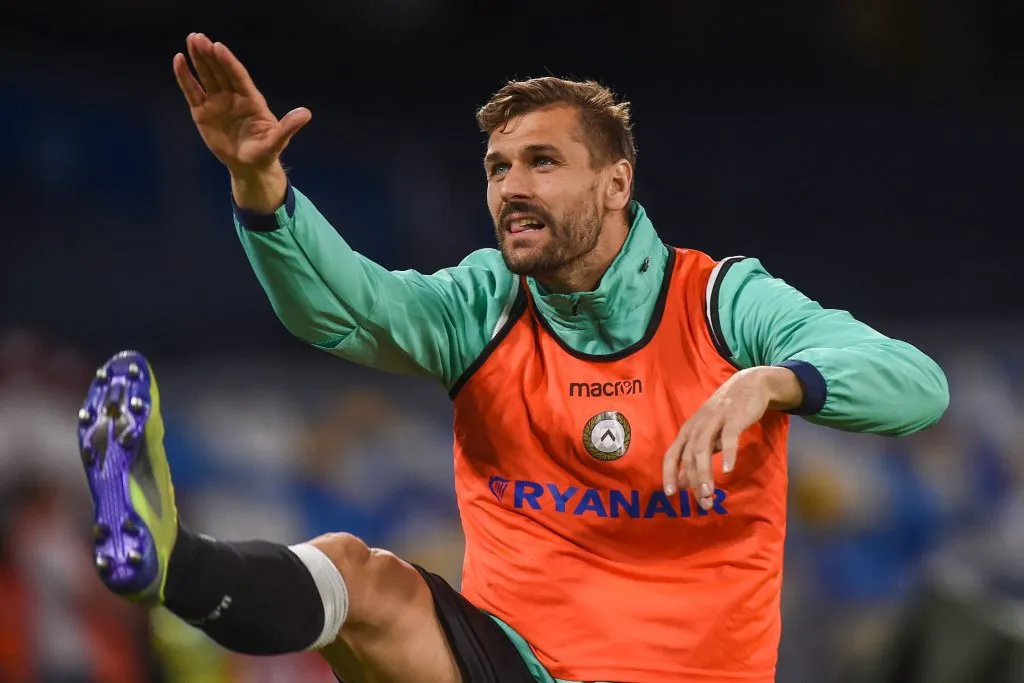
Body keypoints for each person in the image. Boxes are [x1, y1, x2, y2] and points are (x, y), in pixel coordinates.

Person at [76, 32, 950, 683]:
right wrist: (259, 187)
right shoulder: (485, 303)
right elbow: (348, 305)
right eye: (497, 168)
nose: (512, 188)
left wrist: (771, 381)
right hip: (513, 664)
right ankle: (172, 562)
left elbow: (918, 386)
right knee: (361, 579)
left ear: (616, 182)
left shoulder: (723, 303)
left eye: (542, 162)